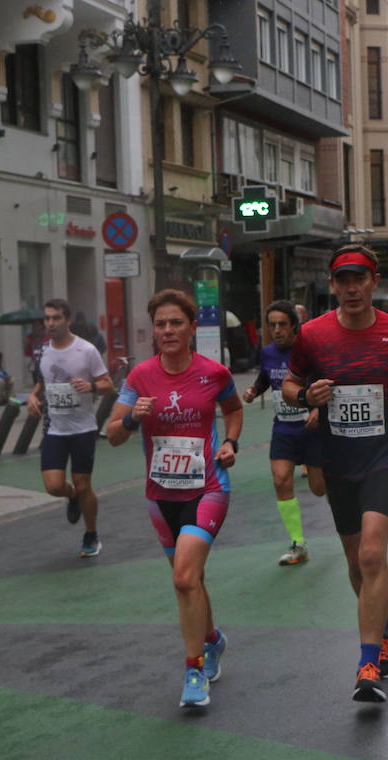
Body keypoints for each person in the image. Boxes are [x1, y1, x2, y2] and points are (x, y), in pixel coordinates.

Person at [282, 244, 388, 703]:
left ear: (374, 282)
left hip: (387, 453)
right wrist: (306, 395)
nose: (351, 288)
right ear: (333, 285)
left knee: (371, 552)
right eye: (342, 280)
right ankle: (385, 627)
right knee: (355, 562)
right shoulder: (312, 335)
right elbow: (289, 386)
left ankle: (368, 662)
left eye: (359, 279)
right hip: (339, 457)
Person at [106, 289, 242, 708]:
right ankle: (212, 639)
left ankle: (194, 669)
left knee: (183, 577)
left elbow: (233, 409)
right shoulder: (140, 377)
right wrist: (132, 417)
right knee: (192, 581)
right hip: (160, 493)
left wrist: (231, 442)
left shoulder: (214, 373)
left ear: (191, 328)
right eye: (161, 324)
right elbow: (112, 434)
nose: (168, 330)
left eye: (176, 323)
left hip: (208, 488)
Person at [242, 300, 326, 565]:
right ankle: (298, 544)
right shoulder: (266, 353)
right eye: (272, 325)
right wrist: (254, 391)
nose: (276, 330)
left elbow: (326, 380)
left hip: (311, 427)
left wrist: (318, 410)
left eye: (282, 325)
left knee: (318, 488)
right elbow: (266, 378)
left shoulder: (308, 351)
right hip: (283, 427)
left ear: (294, 327)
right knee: (280, 481)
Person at [28, 298, 112, 557]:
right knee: (53, 486)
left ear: (67, 320)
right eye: (47, 318)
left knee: (84, 484)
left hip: (83, 428)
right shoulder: (41, 352)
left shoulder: (86, 350)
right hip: (55, 428)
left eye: (56, 318)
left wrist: (92, 387)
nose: (50, 323)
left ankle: (91, 533)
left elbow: (108, 383)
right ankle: (72, 496)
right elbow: (41, 383)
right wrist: (32, 397)